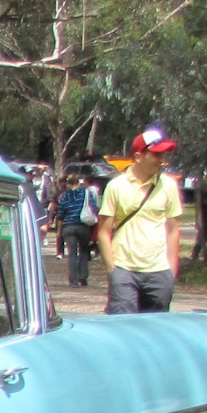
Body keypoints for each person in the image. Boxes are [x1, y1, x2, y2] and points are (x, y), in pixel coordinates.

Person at [97, 126, 183, 314]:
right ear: (138, 157)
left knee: (155, 332)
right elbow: (103, 232)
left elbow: (173, 230)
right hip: (125, 271)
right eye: (156, 155)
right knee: (122, 328)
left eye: (163, 155)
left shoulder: (168, 186)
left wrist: (171, 271)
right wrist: (113, 270)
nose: (162, 161)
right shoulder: (116, 186)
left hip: (159, 273)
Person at [52, 170, 99, 288]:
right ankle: (83, 277)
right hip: (83, 226)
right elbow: (93, 207)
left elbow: (60, 214)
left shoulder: (64, 196)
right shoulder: (86, 193)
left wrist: (59, 230)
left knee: (72, 253)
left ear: (68, 183)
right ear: (78, 182)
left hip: (69, 226)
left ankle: (73, 280)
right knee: (83, 251)